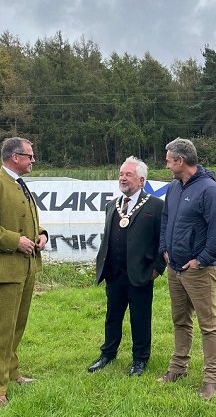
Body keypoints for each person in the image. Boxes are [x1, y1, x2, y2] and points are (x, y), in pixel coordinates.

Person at [0, 137, 48, 408]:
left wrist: (41, 235)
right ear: (15, 157)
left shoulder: (19, 184)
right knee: (3, 329)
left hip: (26, 266)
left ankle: (12, 372)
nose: (33, 160)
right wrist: (15, 241)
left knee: (18, 324)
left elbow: (27, 222)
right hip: (6, 267)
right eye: (30, 156)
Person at [157, 138, 216, 401]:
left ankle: (212, 380)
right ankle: (178, 368)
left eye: (168, 160)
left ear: (181, 161)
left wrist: (202, 260)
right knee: (180, 321)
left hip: (199, 270)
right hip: (174, 268)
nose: (166, 165)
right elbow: (166, 220)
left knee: (208, 325)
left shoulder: (210, 190)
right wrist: (164, 248)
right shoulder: (174, 188)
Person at [87, 156, 166, 376]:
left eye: (128, 175)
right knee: (112, 317)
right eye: (121, 174)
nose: (123, 178)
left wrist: (157, 269)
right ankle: (107, 354)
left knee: (140, 318)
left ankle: (140, 360)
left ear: (141, 180)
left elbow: (163, 240)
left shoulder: (156, 205)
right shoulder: (112, 205)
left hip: (141, 273)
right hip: (114, 273)